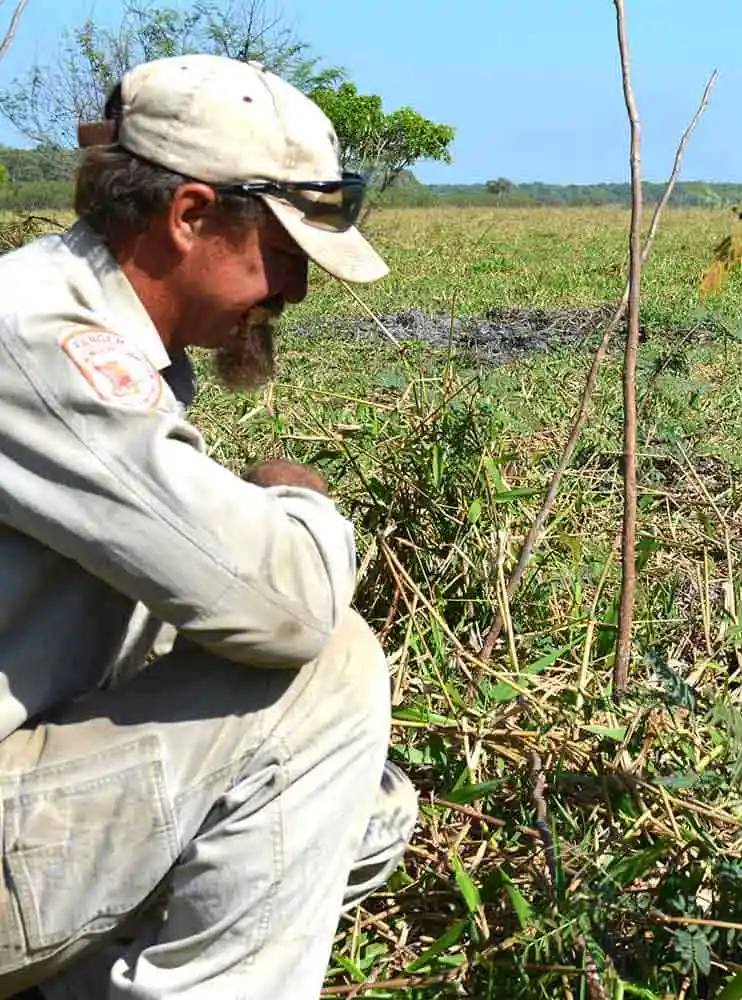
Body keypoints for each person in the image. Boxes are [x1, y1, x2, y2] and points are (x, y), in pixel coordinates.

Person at [0, 53, 418, 999]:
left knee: (365, 816)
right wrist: (297, 497)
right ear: (189, 216)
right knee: (330, 675)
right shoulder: (36, 344)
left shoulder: (75, 329)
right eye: (282, 253)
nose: (296, 292)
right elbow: (291, 607)